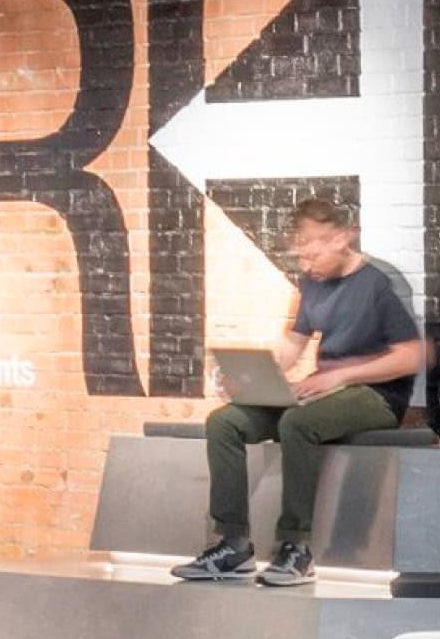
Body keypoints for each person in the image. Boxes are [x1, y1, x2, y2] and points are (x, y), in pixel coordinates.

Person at [172, 199, 425, 587]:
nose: (306, 265)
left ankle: (296, 548)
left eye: (313, 254)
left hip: (375, 395)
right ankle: (233, 545)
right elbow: (293, 343)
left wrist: (340, 377)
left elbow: (410, 356)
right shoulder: (312, 284)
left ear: (341, 239)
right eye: (301, 256)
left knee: (297, 421)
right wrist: (254, 379)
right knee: (225, 422)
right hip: (324, 389)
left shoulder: (379, 284)